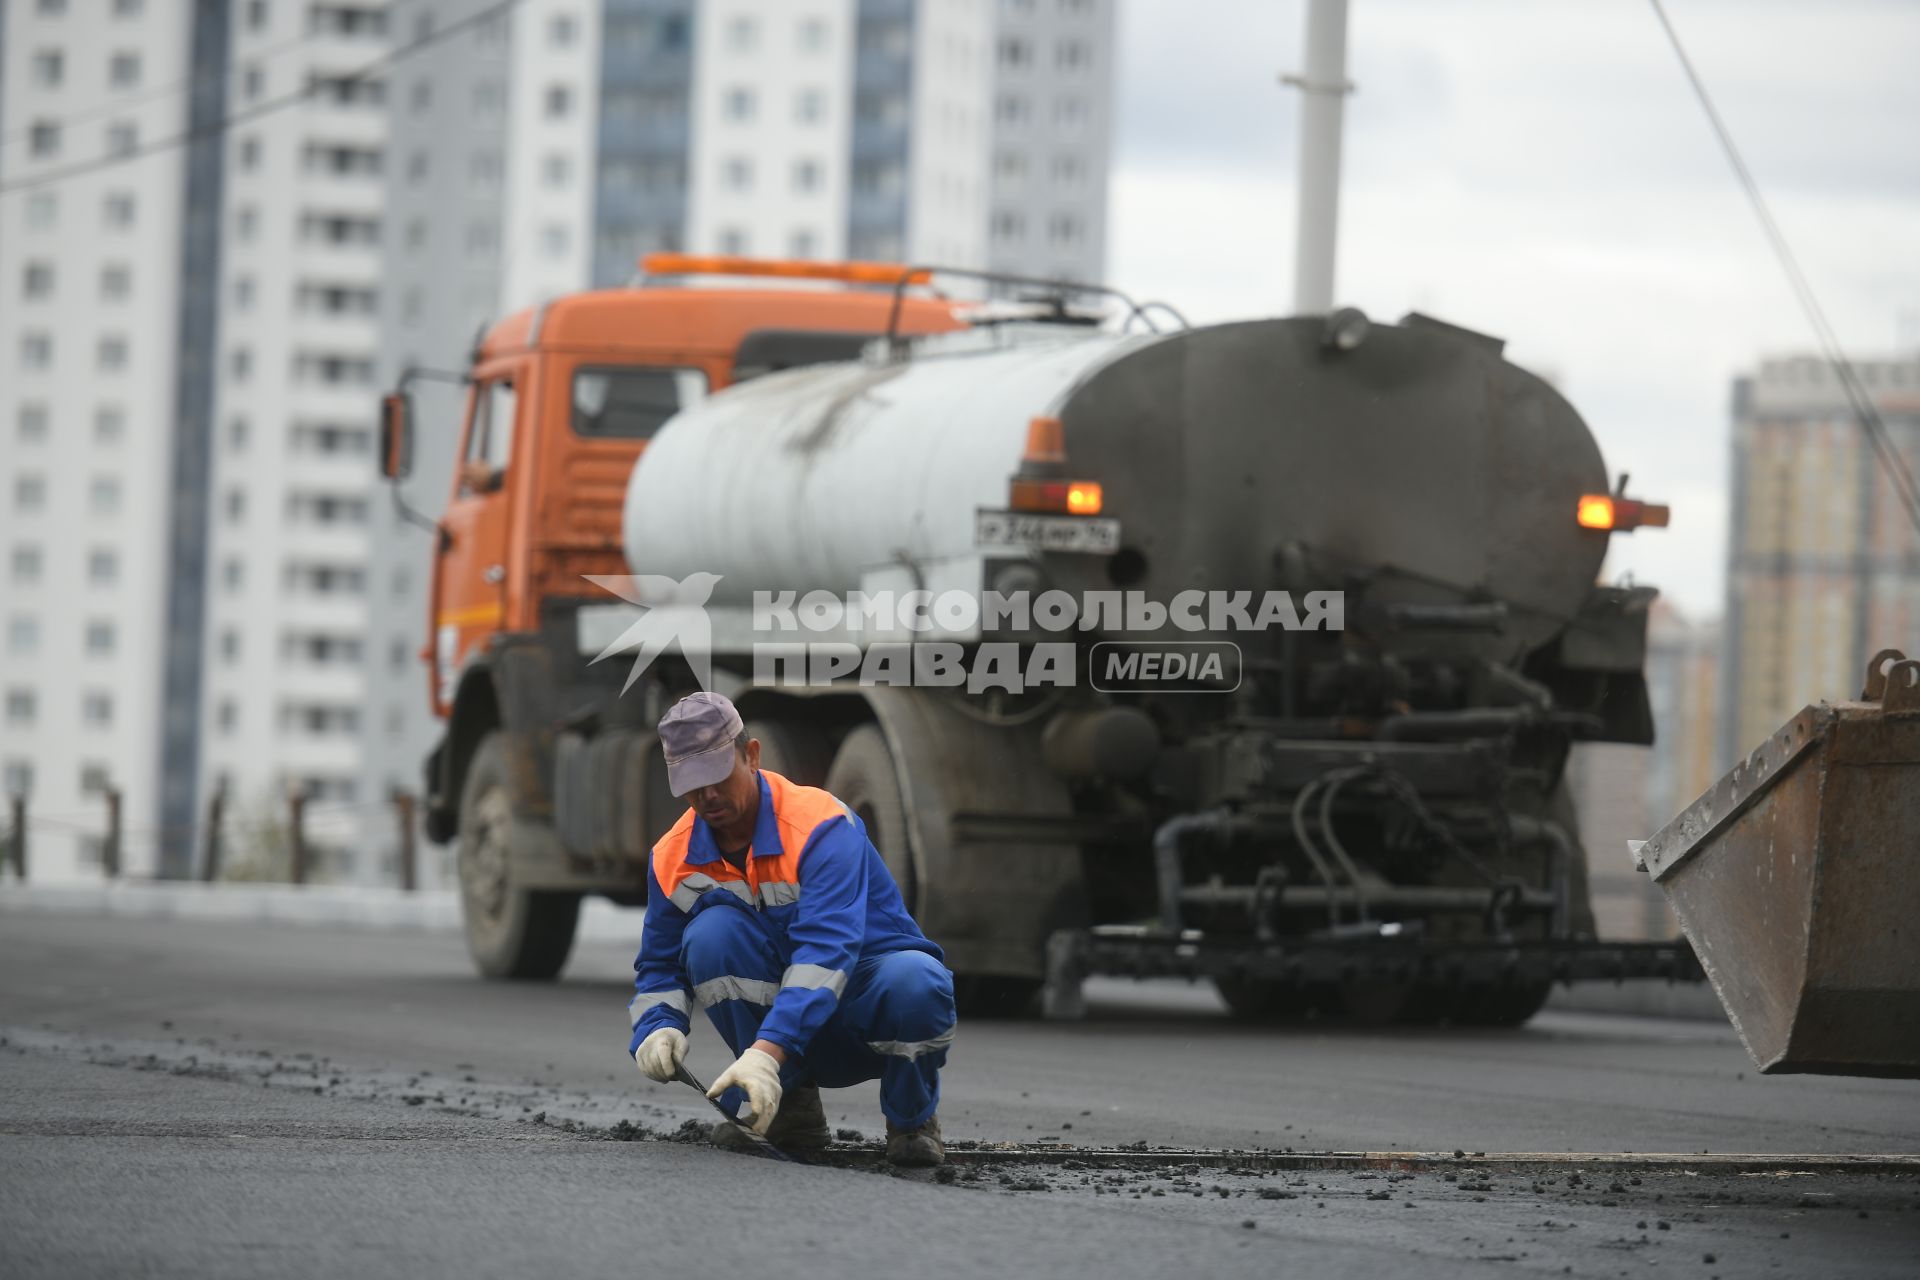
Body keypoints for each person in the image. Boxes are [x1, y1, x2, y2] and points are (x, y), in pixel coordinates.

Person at [626, 691, 955, 1166]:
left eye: (718, 776)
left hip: (861, 1010)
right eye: (692, 785)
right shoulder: (671, 858)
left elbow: (826, 955)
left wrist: (765, 1054)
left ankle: (910, 1120)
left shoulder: (821, 825)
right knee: (711, 936)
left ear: (752, 755)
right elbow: (658, 966)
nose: (708, 796)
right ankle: (790, 1111)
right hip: (789, 1039)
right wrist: (657, 1029)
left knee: (917, 980)